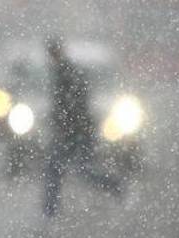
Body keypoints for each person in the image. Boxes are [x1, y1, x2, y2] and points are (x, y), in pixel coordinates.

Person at [42, 36, 121, 218]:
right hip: (74, 131)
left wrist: (66, 124)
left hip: (75, 132)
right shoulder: (64, 72)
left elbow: (73, 105)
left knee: (77, 170)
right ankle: (50, 210)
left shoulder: (66, 74)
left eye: (52, 53)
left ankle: (115, 186)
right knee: (64, 169)